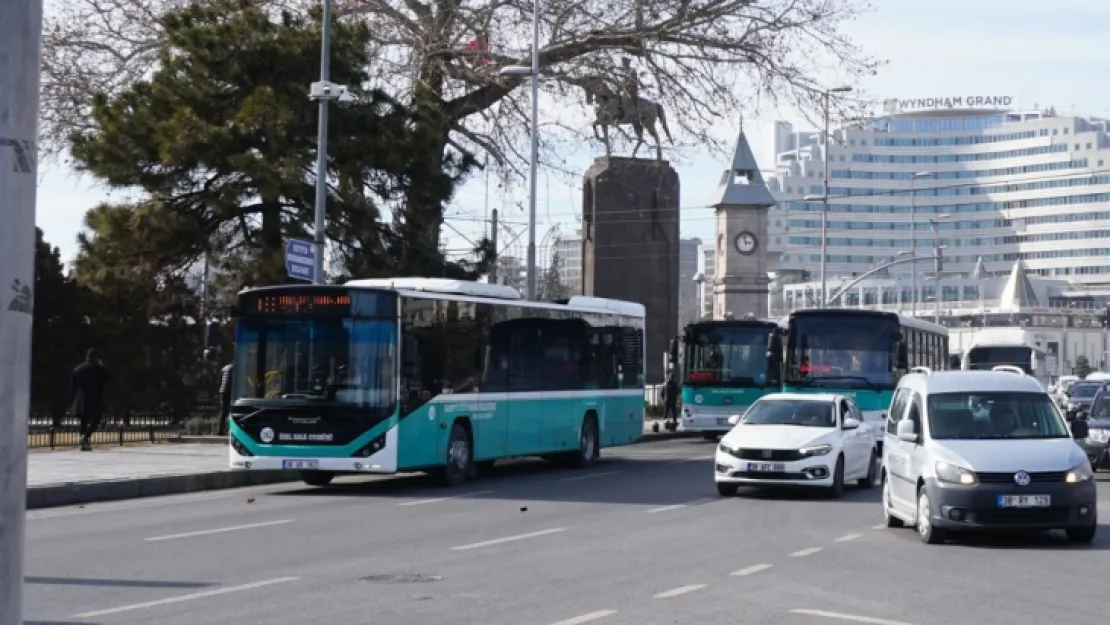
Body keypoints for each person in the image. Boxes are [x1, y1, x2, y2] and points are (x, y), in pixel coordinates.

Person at [69, 348, 110, 451]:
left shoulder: (77, 369)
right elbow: (107, 379)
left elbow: (73, 386)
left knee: (83, 421)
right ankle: (86, 437)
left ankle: (84, 443)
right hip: (95, 398)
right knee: (96, 420)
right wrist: (102, 366)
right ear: (96, 358)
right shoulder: (98, 368)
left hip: (81, 399)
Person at [217, 361, 234, 436]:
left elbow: (219, 381)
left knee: (223, 412)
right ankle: (230, 430)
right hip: (230, 391)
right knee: (232, 411)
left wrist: (220, 389)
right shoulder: (234, 368)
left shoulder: (224, 368)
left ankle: (220, 431)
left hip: (222, 391)